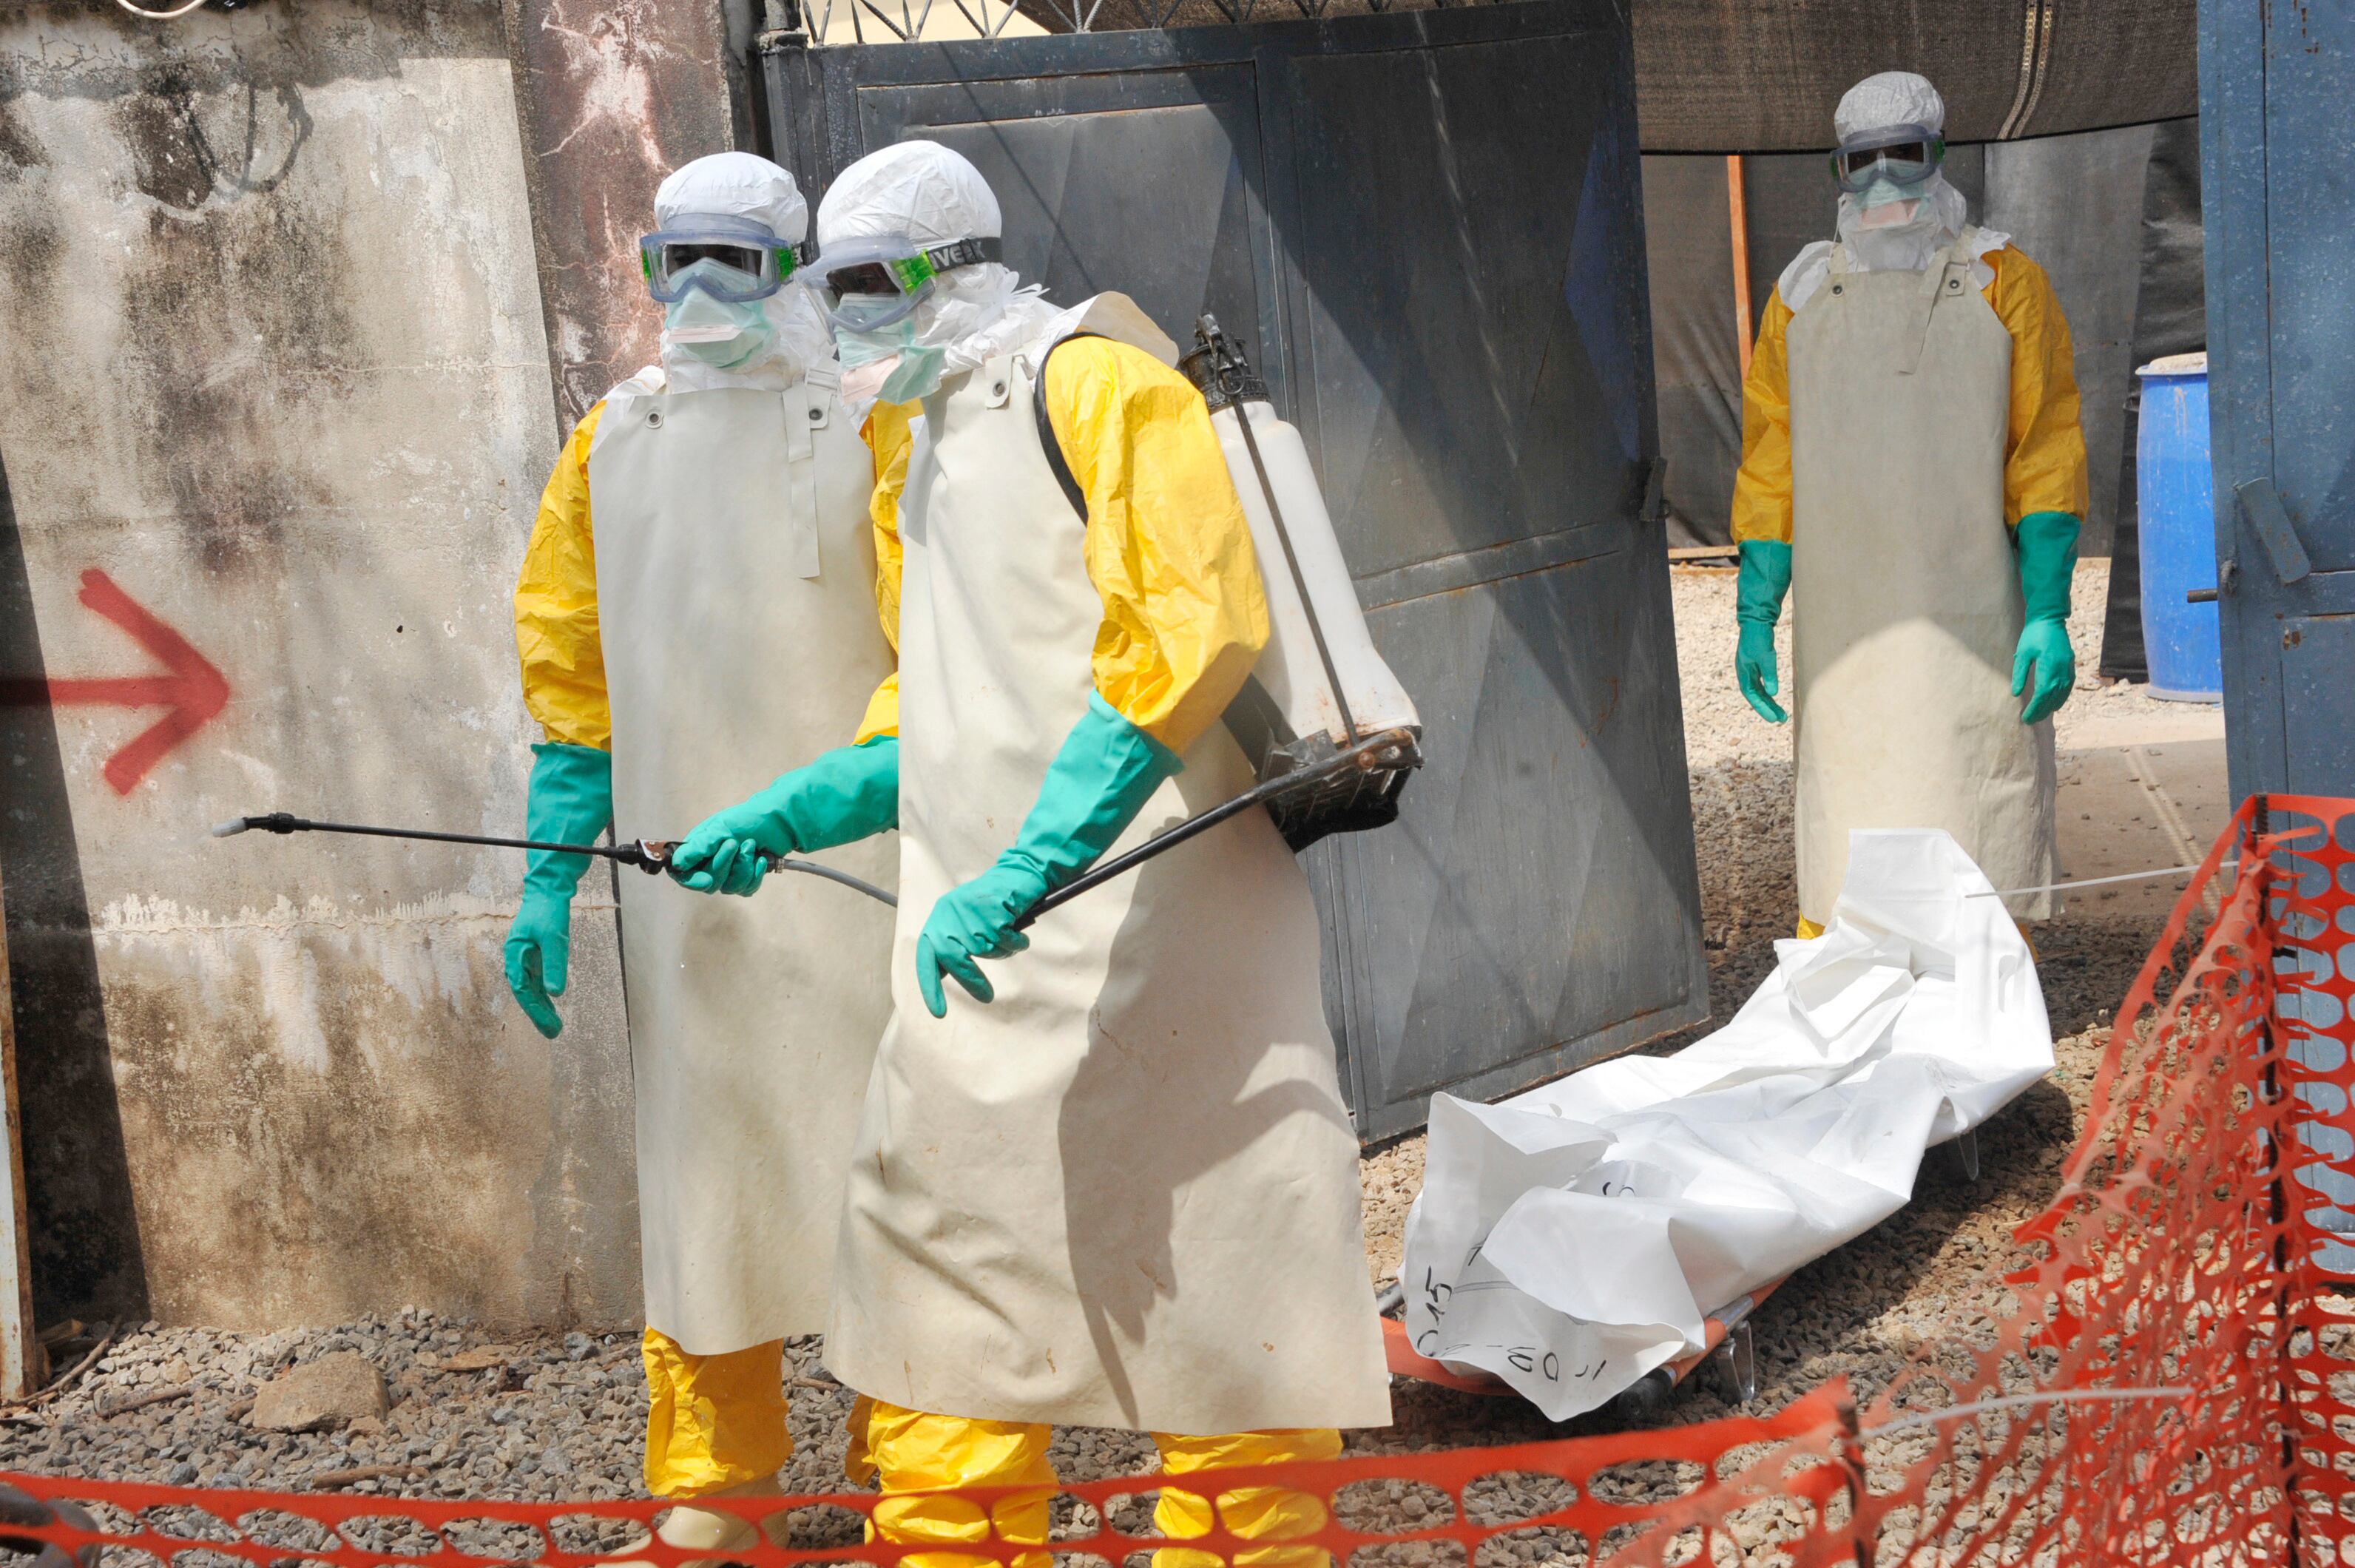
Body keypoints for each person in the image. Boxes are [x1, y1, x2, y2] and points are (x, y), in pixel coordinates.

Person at [670, 140, 1390, 1568]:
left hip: (1162, 933)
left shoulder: (1102, 387)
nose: (851, 311)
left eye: (873, 282)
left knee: (1217, 1294)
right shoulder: (913, 437)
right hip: (969, 968)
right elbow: (937, 701)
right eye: (836, 284)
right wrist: (793, 807)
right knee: (943, 1310)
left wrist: (1031, 860)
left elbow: (1190, 639)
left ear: (954, 264)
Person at [505, 151, 896, 1547]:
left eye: (740, 258)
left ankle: (906, 1486)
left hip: (868, 887)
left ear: (797, 268)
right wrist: (551, 872)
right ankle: (714, 1507)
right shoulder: (614, 441)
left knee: (890, 1188)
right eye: (683, 261)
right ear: (651, 269)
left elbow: (941, 664)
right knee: (705, 1205)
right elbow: (572, 676)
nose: (708, 291)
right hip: (688, 917)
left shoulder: (873, 427)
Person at [1730, 70, 2089, 936]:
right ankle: (1858, 1019)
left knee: (1974, 821)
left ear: (1938, 156)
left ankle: (1982, 1022)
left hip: (1972, 617)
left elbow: (2042, 448)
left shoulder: (2005, 282)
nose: (1884, 182)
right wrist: (1755, 606)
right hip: (1845, 626)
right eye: (1861, 162)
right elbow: (1772, 458)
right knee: (1852, 822)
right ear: (1837, 169)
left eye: (1905, 157)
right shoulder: (1799, 298)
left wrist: (2046, 607)